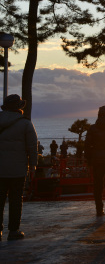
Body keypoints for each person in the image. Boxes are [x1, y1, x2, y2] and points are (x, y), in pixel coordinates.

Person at [0, 94, 38, 241]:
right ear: (19, 107)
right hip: (18, 169)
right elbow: (32, 147)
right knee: (16, 200)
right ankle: (13, 230)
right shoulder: (25, 124)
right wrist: (33, 165)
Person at [85, 106, 105, 216]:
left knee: (97, 186)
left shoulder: (92, 128)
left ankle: (99, 209)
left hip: (97, 160)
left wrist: (89, 160)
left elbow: (87, 146)